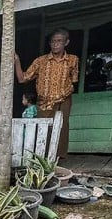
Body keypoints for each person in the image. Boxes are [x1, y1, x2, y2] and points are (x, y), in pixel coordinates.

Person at [15, 28, 79, 159]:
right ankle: (41, 158)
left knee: (62, 127)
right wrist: (17, 61)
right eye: (53, 41)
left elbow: (74, 80)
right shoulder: (40, 61)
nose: (55, 44)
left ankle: (59, 158)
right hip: (44, 101)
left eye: (59, 41)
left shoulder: (73, 60)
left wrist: (63, 92)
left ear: (66, 42)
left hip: (64, 100)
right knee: (43, 129)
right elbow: (22, 78)